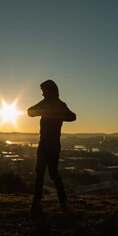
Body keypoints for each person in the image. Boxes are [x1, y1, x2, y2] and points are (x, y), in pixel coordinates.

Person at [28, 80, 76, 217]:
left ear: (49, 90)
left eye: (44, 91)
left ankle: (55, 202)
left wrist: (53, 113)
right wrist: (47, 111)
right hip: (47, 144)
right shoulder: (51, 103)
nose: (42, 94)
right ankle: (42, 202)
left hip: (51, 144)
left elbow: (72, 117)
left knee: (48, 174)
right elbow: (30, 112)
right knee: (44, 174)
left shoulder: (59, 104)